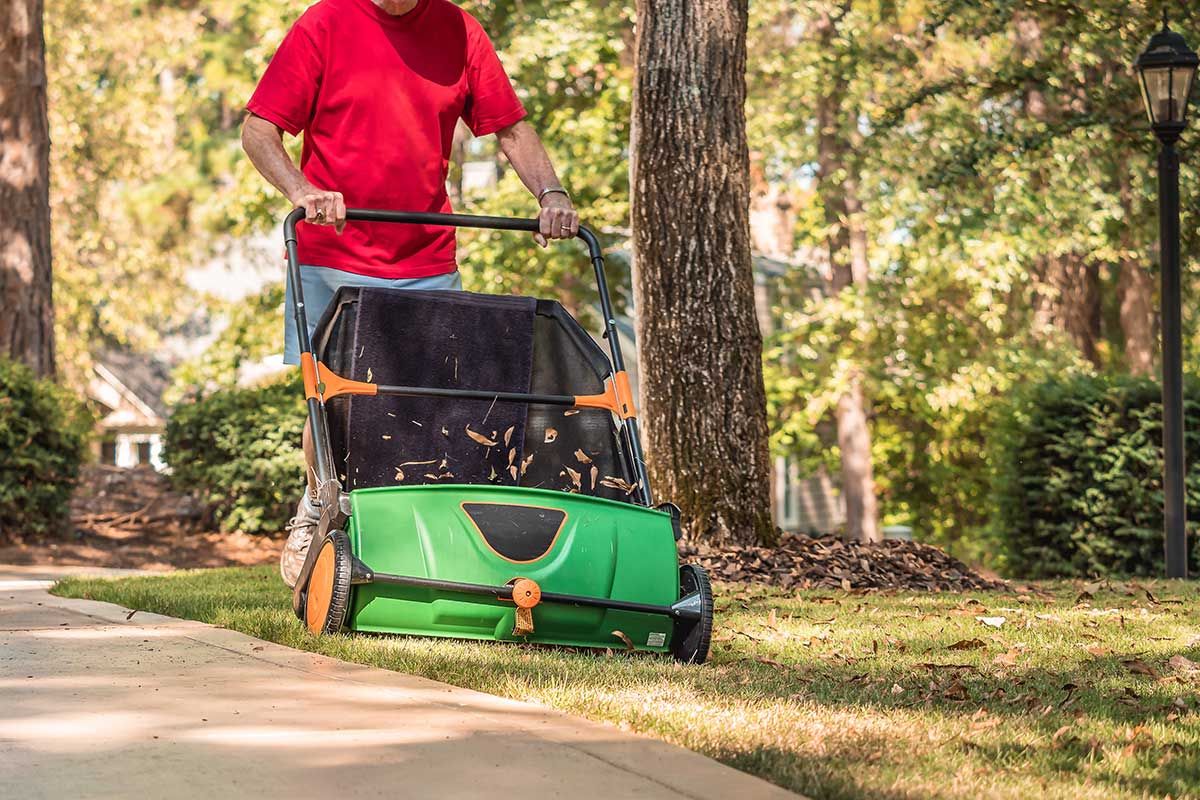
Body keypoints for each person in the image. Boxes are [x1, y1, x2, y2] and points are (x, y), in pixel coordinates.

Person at [242, 0, 579, 587]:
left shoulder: (458, 30)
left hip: (425, 256)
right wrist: (301, 189)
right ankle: (319, 509)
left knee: (434, 405)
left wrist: (550, 193)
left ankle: (418, 533)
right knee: (332, 400)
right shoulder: (326, 23)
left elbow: (510, 128)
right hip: (335, 252)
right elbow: (258, 130)